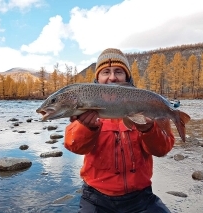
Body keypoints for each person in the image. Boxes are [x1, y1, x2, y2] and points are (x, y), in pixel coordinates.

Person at [64, 48, 174, 213]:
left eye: (118, 72)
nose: (112, 77)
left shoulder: (148, 104)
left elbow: (162, 149)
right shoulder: (85, 109)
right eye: (105, 72)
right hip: (96, 198)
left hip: (141, 198)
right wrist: (87, 127)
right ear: (97, 79)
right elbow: (74, 146)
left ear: (127, 77)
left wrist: (149, 129)